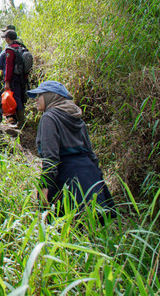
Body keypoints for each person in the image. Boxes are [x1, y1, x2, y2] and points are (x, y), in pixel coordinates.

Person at [27, 81, 115, 221]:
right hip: (90, 177)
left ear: (51, 97)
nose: (36, 99)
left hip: (67, 179)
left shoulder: (49, 118)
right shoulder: (75, 117)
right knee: (94, 230)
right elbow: (90, 153)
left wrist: (44, 187)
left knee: (66, 231)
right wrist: (99, 179)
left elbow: (51, 159)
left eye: (40, 95)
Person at [1, 29, 27, 127]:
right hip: (23, 77)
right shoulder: (21, 47)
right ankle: (22, 119)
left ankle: (21, 122)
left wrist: (7, 82)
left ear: (8, 38)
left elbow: (9, 66)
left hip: (14, 78)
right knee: (20, 96)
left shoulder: (10, 49)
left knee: (16, 98)